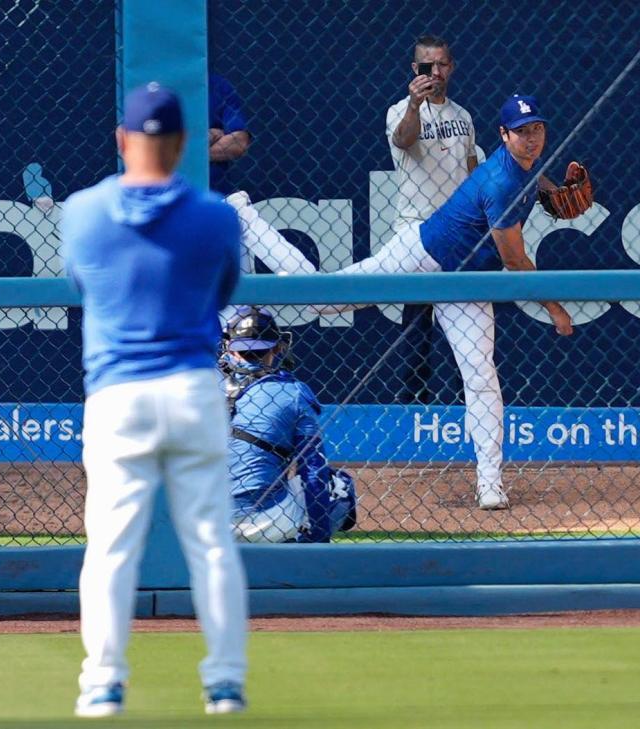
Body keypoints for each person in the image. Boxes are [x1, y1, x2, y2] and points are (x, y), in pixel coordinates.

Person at [62, 83, 248, 718]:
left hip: (119, 396)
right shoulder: (216, 215)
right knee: (212, 543)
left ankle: (102, 684)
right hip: (194, 390)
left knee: (111, 546)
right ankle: (224, 684)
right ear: (184, 145)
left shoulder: (83, 212)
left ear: (123, 141)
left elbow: (86, 285)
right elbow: (222, 293)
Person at [318, 94, 575, 511]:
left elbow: (534, 174)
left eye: (537, 129)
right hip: (421, 254)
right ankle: (251, 225)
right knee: (323, 301)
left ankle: (490, 482)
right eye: (522, 132)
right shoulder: (501, 181)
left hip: (466, 285)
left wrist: (552, 188)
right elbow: (513, 259)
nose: (531, 139)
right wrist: (555, 307)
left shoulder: (525, 167)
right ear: (503, 135)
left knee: (481, 375)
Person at [386, 35, 479, 405]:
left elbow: (472, 174)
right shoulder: (400, 111)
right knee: (416, 332)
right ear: (415, 70)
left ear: (451, 67)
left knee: (466, 334)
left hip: (459, 234)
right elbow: (405, 140)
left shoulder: (463, 116)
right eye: (428, 66)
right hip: (416, 232)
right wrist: (414, 103)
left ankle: (464, 416)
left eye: (442, 64)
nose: (436, 72)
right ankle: (413, 415)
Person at [219, 306, 358, 543]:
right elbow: (313, 470)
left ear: (230, 349)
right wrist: (319, 536)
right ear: (276, 347)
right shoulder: (291, 391)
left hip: (205, 522)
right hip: (270, 521)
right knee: (339, 484)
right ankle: (303, 549)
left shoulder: (202, 386)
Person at [209, 72, 315, 279]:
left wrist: (180, 150)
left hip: (220, 196)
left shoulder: (216, 85)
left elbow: (238, 142)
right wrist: (211, 135)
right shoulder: (151, 89)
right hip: (174, 199)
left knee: (244, 219)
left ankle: (316, 290)